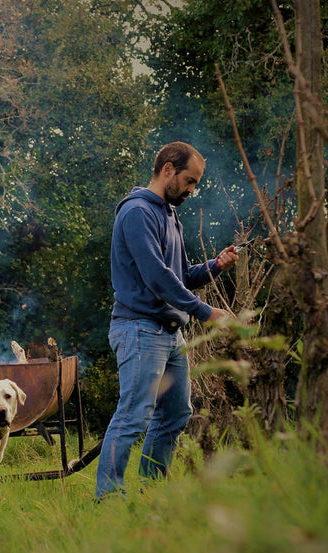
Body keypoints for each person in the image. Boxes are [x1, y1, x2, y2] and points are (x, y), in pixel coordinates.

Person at [96, 141, 238, 500]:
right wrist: (207, 313)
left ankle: (151, 491)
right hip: (140, 329)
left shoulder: (168, 214)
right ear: (168, 170)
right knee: (132, 416)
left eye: (195, 184)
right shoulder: (138, 212)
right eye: (190, 181)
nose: (192, 190)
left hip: (170, 334)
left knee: (175, 414)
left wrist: (215, 266)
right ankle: (108, 497)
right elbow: (157, 277)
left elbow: (180, 275)